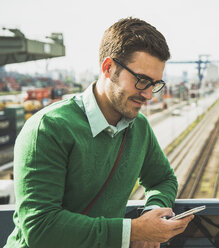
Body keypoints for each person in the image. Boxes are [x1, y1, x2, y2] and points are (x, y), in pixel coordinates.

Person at [5, 17, 193, 248]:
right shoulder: (48, 128)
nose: (148, 95)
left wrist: (152, 213)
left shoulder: (139, 127)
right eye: (141, 80)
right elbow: (41, 228)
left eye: (154, 84)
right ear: (108, 67)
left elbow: (163, 179)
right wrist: (134, 231)